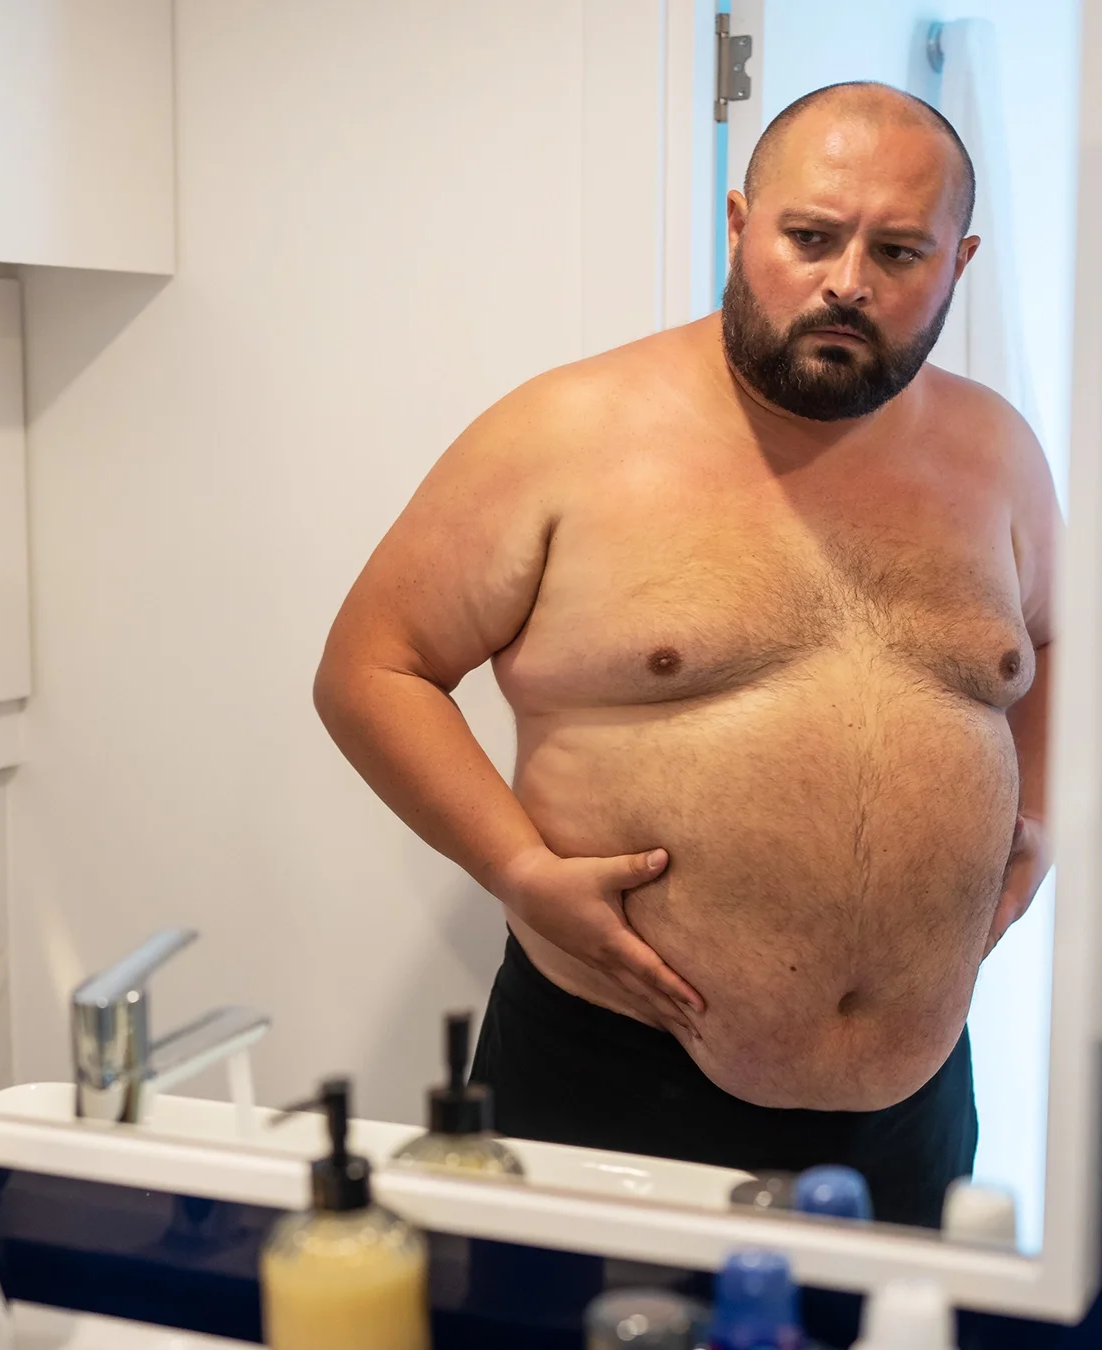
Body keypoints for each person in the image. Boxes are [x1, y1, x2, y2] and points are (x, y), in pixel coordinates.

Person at [313, 81, 1056, 1226]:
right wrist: (515, 868)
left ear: (957, 262)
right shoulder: (566, 432)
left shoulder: (998, 452)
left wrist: (1036, 826)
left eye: (899, 251)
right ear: (739, 221)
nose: (847, 281)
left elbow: (1051, 652)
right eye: (810, 236)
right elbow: (373, 666)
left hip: (910, 1112)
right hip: (613, 1073)